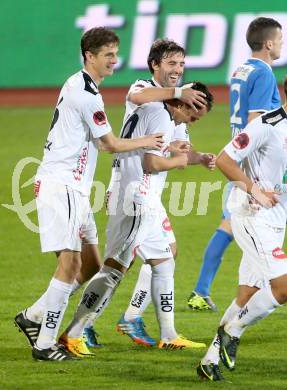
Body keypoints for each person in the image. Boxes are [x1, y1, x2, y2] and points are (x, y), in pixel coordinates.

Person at [13, 27, 167, 362]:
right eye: (108, 54)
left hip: (76, 190)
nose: (115, 59)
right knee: (69, 265)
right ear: (89, 56)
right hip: (61, 185)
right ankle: (45, 344)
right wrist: (148, 141)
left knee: (90, 267)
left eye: (116, 53)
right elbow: (109, 144)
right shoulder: (85, 92)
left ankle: (33, 316)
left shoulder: (82, 86)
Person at [58, 82, 214, 358]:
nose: (191, 122)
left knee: (164, 260)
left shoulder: (154, 109)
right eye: (192, 116)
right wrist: (178, 159)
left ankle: (168, 335)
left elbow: (151, 150)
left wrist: (191, 156)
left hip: (142, 199)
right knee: (114, 269)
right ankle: (70, 331)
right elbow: (150, 164)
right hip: (136, 199)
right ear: (181, 103)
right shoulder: (160, 114)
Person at [113, 39, 215, 347]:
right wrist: (178, 93)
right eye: (171, 63)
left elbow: (171, 149)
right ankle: (93, 321)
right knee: (119, 262)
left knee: (161, 254)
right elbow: (136, 98)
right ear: (155, 65)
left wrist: (194, 156)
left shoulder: (174, 111)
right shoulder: (149, 95)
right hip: (132, 185)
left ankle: (136, 321)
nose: (177, 70)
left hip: (148, 191)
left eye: (182, 64)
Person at [188, 17, 283, 312]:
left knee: (230, 226)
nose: (281, 44)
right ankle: (204, 293)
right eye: (279, 39)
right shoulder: (265, 73)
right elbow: (257, 124)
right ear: (268, 43)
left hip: (238, 156)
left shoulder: (241, 69)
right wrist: (254, 182)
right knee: (232, 226)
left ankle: (210, 293)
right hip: (250, 165)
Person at [197, 97, 287, 381]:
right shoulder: (266, 125)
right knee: (283, 288)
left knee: (247, 295)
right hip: (252, 215)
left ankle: (209, 361)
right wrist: (253, 189)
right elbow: (225, 159)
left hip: (275, 221)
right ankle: (232, 331)